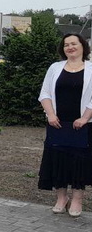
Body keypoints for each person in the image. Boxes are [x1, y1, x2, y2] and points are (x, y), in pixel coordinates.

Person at [38, 33, 92, 217]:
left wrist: (84, 118)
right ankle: (61, 198)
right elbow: (44, 93)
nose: (70, 47)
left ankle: (77, 200)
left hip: (83, 125)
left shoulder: (91, 68)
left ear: (83, 46)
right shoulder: (55, 67)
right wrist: (51, 115)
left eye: (73, 44)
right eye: (66, 44)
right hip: (57, 124)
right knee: (58, 161)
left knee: (79, 163)